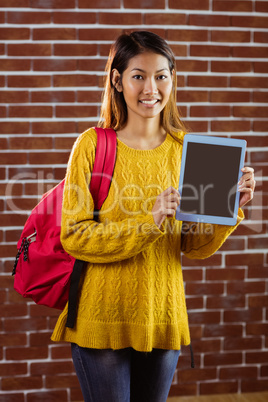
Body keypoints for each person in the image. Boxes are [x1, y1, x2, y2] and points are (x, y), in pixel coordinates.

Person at [51, 31, 255, 402]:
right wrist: (149, 222)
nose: (152, 88)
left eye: (161, 75)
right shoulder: (92, 145)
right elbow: (75, 236)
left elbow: (193, 246)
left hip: (163, 318)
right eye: (139, 76)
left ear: (172, 79)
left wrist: (231, 208)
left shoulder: (186, 149)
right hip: (102, 321)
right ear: (118, 80)